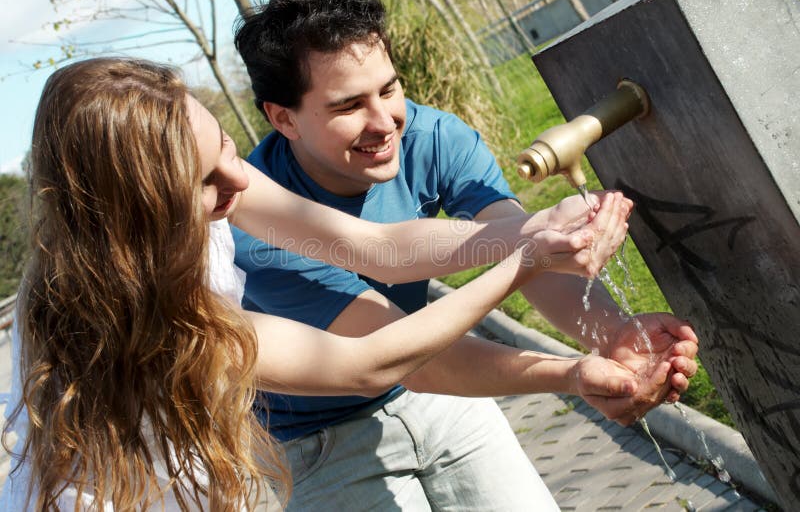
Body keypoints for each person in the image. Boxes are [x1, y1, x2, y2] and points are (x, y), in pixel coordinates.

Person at [0, 57, 635, 510]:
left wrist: (528, 234)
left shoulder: (214, 194)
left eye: (226, 146)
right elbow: (362, 364)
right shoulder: (139, 325)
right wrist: (522, 267)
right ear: (142, 215)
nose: (240, 181)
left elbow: (376, 248)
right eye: (206, 182)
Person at [232, 0, 700, 510]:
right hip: (320, 442)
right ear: (282, 119)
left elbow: (516, 245)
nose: (385, 122)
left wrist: (612, 334)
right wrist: (572, 374)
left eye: (389, 88)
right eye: (348, 105)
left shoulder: (433, 137)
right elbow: (411, 359)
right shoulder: (254, 227)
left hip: (444, 398)